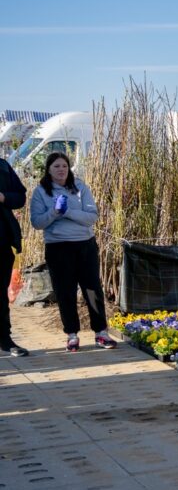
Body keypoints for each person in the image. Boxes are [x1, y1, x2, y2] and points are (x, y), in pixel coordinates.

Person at [29, 152, 117, 352]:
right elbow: (37, 222)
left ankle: (101, 332)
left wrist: (67, 212)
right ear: (48, 170)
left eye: (64, 166)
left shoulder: (80, 187)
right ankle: (72, 334)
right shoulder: (41, 192)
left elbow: (91, 217)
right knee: (65, 291)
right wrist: (54, 212)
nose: (61, 170)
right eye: (56, 166)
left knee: (92, 289)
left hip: (84, 245)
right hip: (58, 247)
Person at [0, 155, 29, 356]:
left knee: (1, 294)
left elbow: (20, 197)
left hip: (1, 242)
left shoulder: (2, 166)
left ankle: (5, 339)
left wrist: (4, 197)